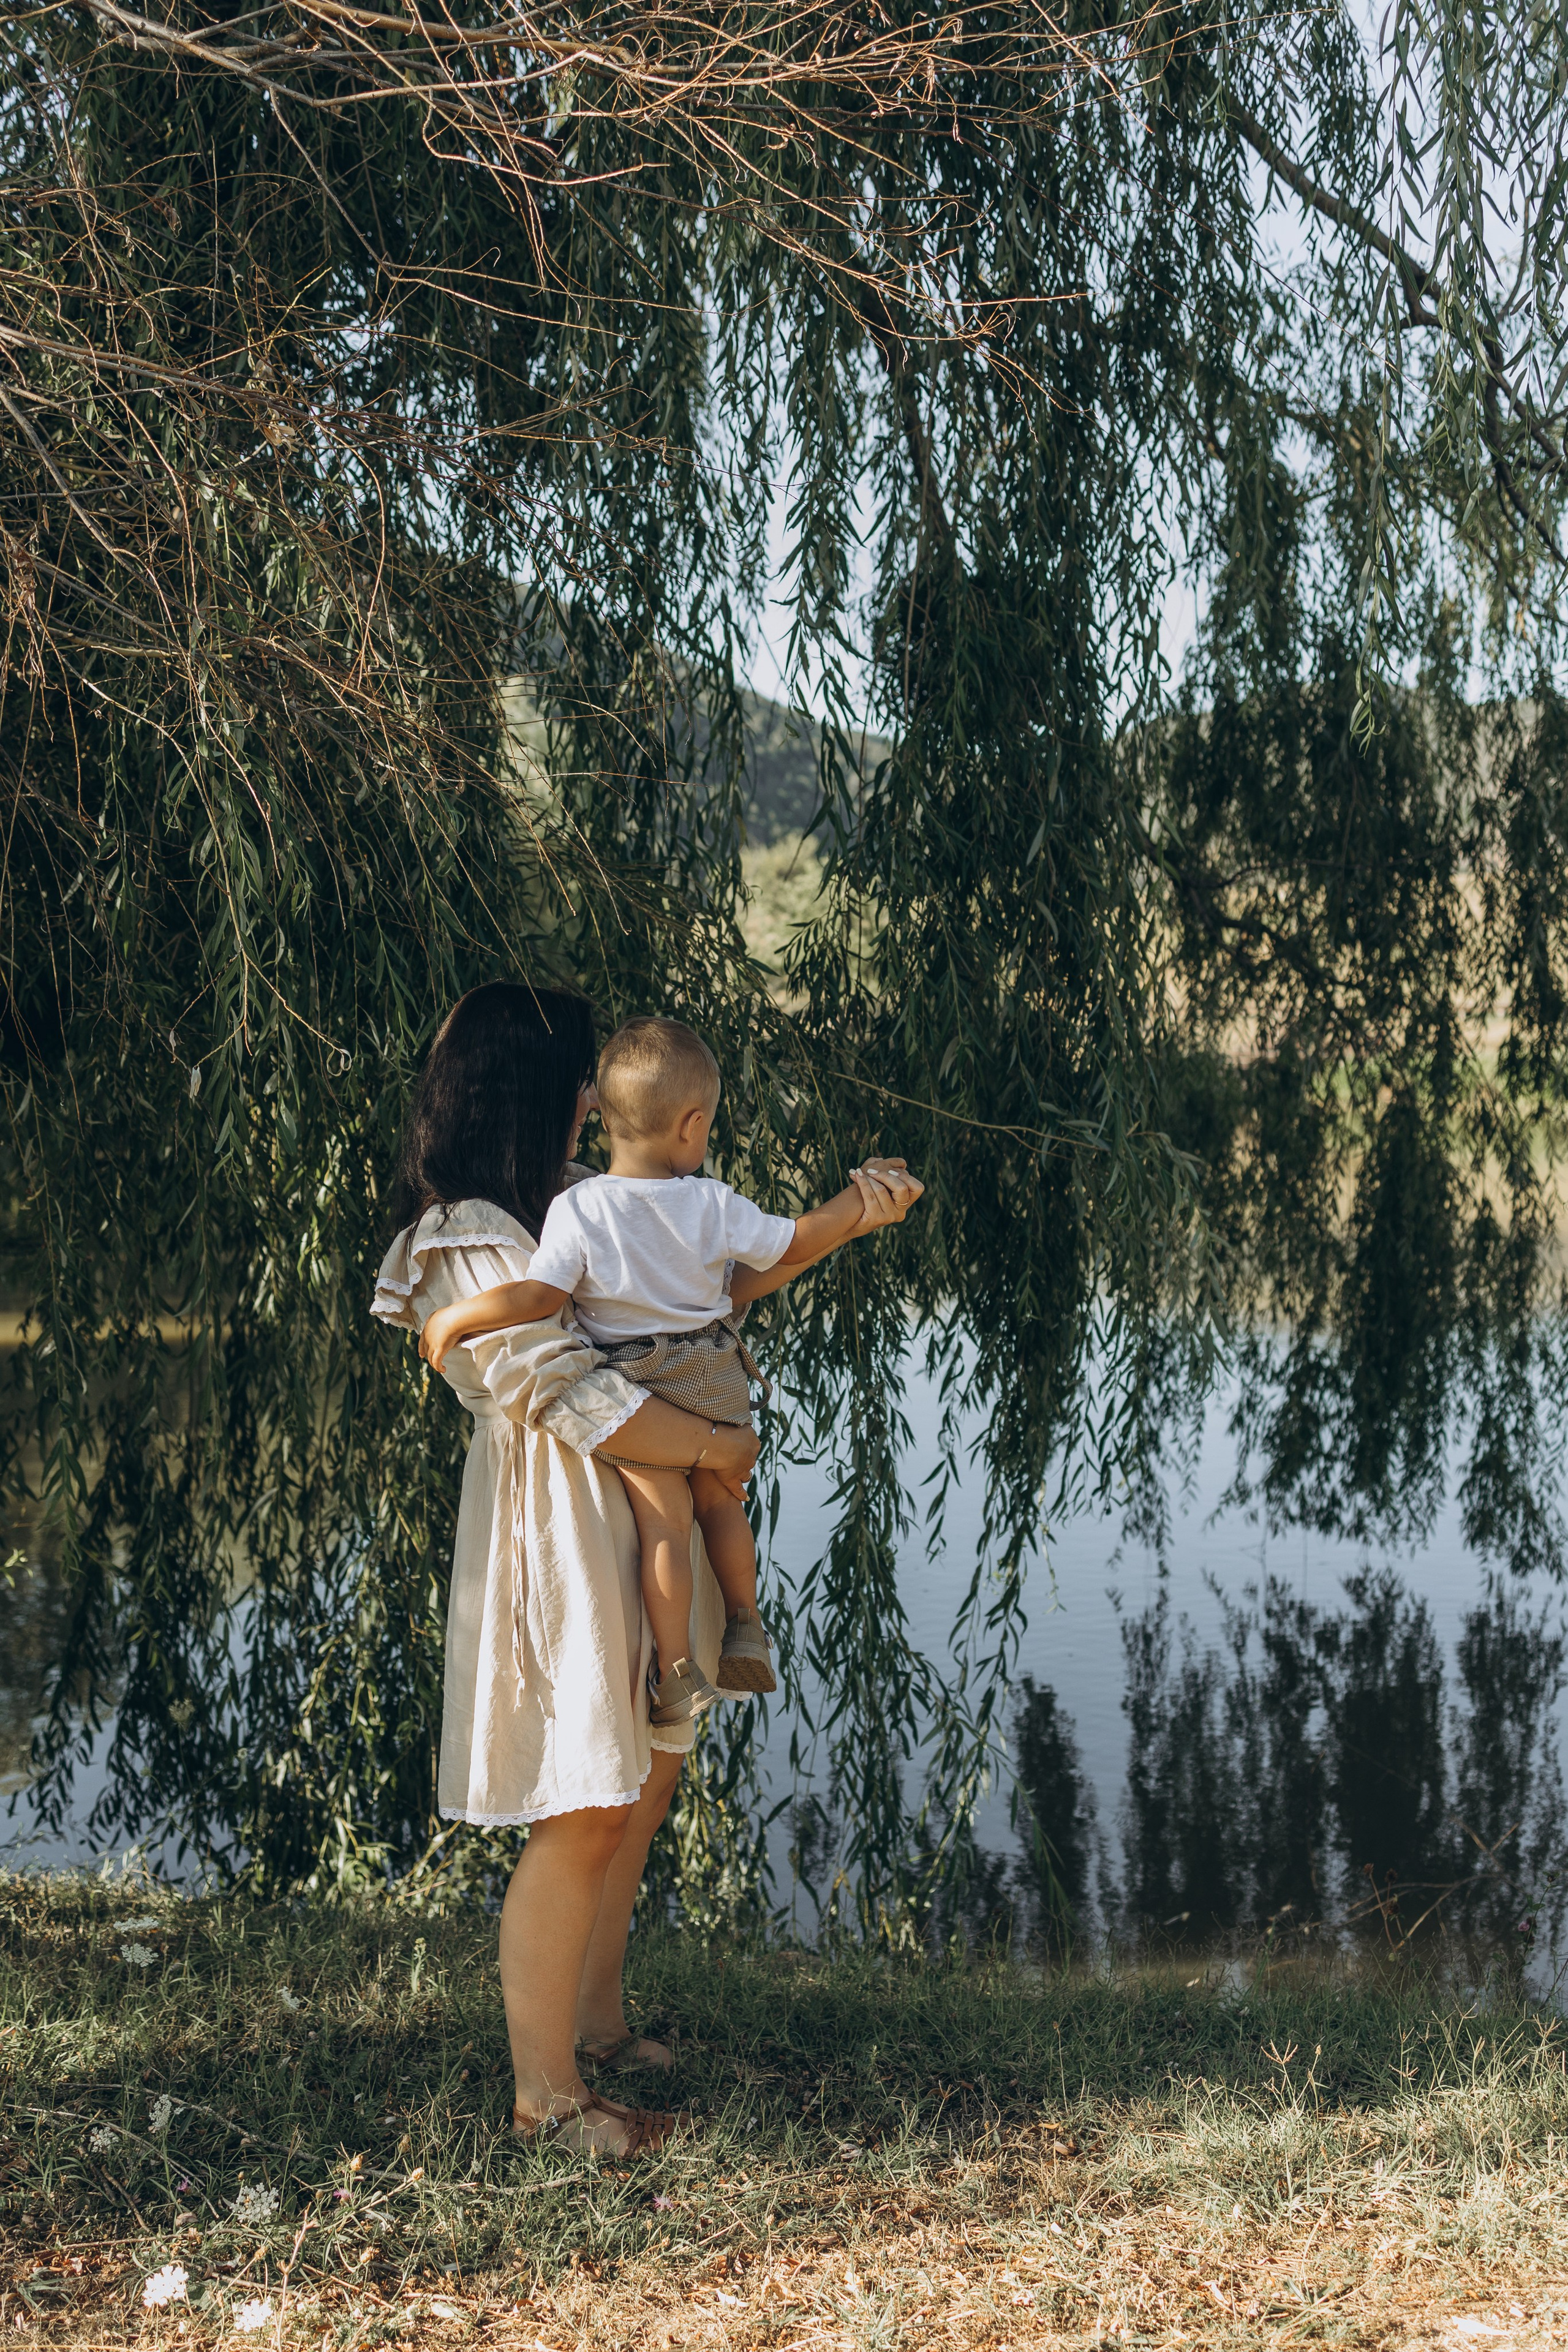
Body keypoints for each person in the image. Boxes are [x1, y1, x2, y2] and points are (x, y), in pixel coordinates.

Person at [372, 981, 921, 2159]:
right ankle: (548, 2101)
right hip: (562, 1531)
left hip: (637, 1524)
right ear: (526, 1093)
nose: (586, 1105)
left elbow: (713, 1284)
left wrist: (840, 1224)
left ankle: (599, 2023)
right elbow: (565, 1390)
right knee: (583, 1800)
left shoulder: (583, 1201)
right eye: (573, 1083)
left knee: (643, 1778)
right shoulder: (463, 1233)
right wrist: (718, 1445)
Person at [419, 1014, 922, 1730]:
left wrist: (456, 1318)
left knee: (665, 1525)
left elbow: (539, 1298)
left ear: (610, 1122)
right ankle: (746, 1622)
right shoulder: (713, 1203)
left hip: (638, 1382)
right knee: (722, 1504)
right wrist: (857, 1205)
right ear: (691, 1126)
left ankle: (677, 1670)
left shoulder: (577, 1207)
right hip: (715, 1371)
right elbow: (789, 1244)